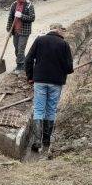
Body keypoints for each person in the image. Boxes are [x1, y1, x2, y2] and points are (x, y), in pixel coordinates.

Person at [24, 23, 73, 153]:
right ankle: (46, 140)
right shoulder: (64, 45)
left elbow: (28, 59)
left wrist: (30, 76)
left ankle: (36, 141)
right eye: (63, 31)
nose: (64, 33)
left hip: (39, 81)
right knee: (51, 110)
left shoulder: (39, 40)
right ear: (58, 31)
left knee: (39, 109)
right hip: (56, 83)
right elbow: (69, 68)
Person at [5, 0, 36, 74]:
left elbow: (32, 18)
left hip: (24, 31)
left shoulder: (29, 5)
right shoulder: (14, 5)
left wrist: (21, 15)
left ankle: (20, 67)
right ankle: (25, 64)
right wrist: (9, 30)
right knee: (16, 49)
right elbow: (10, 18)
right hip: (15, 31)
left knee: (20, 49)